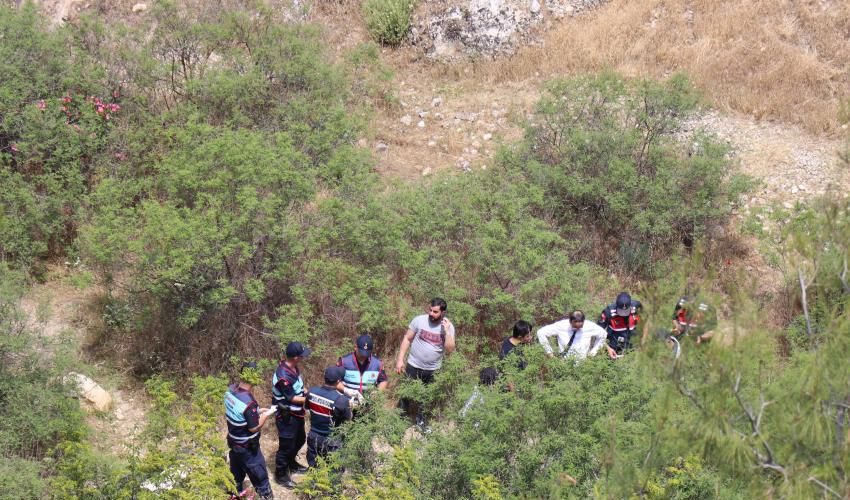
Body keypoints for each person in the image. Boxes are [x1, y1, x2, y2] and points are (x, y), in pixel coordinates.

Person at [395, 297, 456, 428]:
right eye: (430, 310)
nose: (431, 314)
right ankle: (399, 422)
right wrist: (400, 359)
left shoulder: (448, 327)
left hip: (433, 369)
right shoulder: (419, 320)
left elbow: (450, 349)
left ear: (443, 313)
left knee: (426, 398)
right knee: (406, 394)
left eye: (435, 312)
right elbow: (407, 338)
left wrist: (447, 331)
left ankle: (421, 422)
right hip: (413, 365)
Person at [225, 362, 276, 500]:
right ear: (254, 377)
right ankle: (265, 495)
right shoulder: (249, 401)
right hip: (247, 446)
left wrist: (257, 412)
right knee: (259, 473)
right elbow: (253, 427)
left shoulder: (230, 391)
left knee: (235, 473)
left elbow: (239, 413)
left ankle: (234, 494)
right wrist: (264, 416)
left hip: (233, 440)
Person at [271, 342, 311, 489]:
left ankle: (292, 464)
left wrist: (306, 392)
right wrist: (311, 399)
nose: (303, 358)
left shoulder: (293, 367)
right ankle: (280, 475)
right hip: (287, 414)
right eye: (301, 355)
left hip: (298, 413)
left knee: (300, 439)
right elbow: (291, 398)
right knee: (286, 446)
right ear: (295, 357)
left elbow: (300, 386)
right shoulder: (283, 375)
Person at [305, 366, 352, 467]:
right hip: (332, 440)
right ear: (338, 381)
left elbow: (307, 409)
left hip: (314, 437)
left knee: (314, 468)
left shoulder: (311, 392)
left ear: (324, 377)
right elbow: (348, 419)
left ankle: (314, 483)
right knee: (334, 470)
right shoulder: (341, 400)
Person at [537, 310, 613, 359]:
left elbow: (603, 335)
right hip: (564, 363)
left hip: (583, 364)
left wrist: (593, 352)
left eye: (580, 327)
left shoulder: (589, 326)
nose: (578, 329)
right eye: (575, 326)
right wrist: (550, 353)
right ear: (570, 321)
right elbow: (541, 333)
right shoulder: (561, 325)